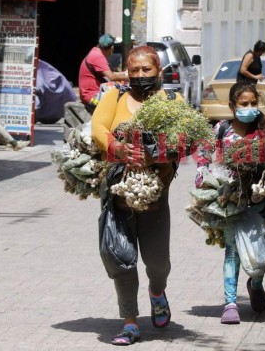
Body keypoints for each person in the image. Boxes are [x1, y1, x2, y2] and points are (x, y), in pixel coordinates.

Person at [92, 46, 179, 345]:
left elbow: (183, 140)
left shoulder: (171, 100)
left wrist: (153, 156)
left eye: (146, 70)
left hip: (155, 198)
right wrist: (115, 148)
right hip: (118, 196)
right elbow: (97, 127)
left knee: (157, 262)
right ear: (127, 71)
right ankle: (129, 322)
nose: (140, 76)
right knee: (121, 260)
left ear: (158, 71)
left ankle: (157, 292)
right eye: (135, 70)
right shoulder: (114, 97)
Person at [195, 81, 265, 325]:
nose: (249, 108)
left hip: (258, 201)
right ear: (232, 106)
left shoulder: (264, 132)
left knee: (258, 254)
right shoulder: (222, 129)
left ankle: (256, 283)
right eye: (244, 104)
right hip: (229, 200)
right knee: (232, 251)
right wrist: (202, 171)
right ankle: (230, 303)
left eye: (254, 103)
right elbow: (203, 151)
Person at [79, 34, 128, 112]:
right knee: (126, 97)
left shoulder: (94, 52)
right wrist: (129, 77)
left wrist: (124, 73)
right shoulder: (97, 57)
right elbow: (111, 77)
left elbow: (109, 73)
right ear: (112, 48)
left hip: (90, 94)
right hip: (92, 96)